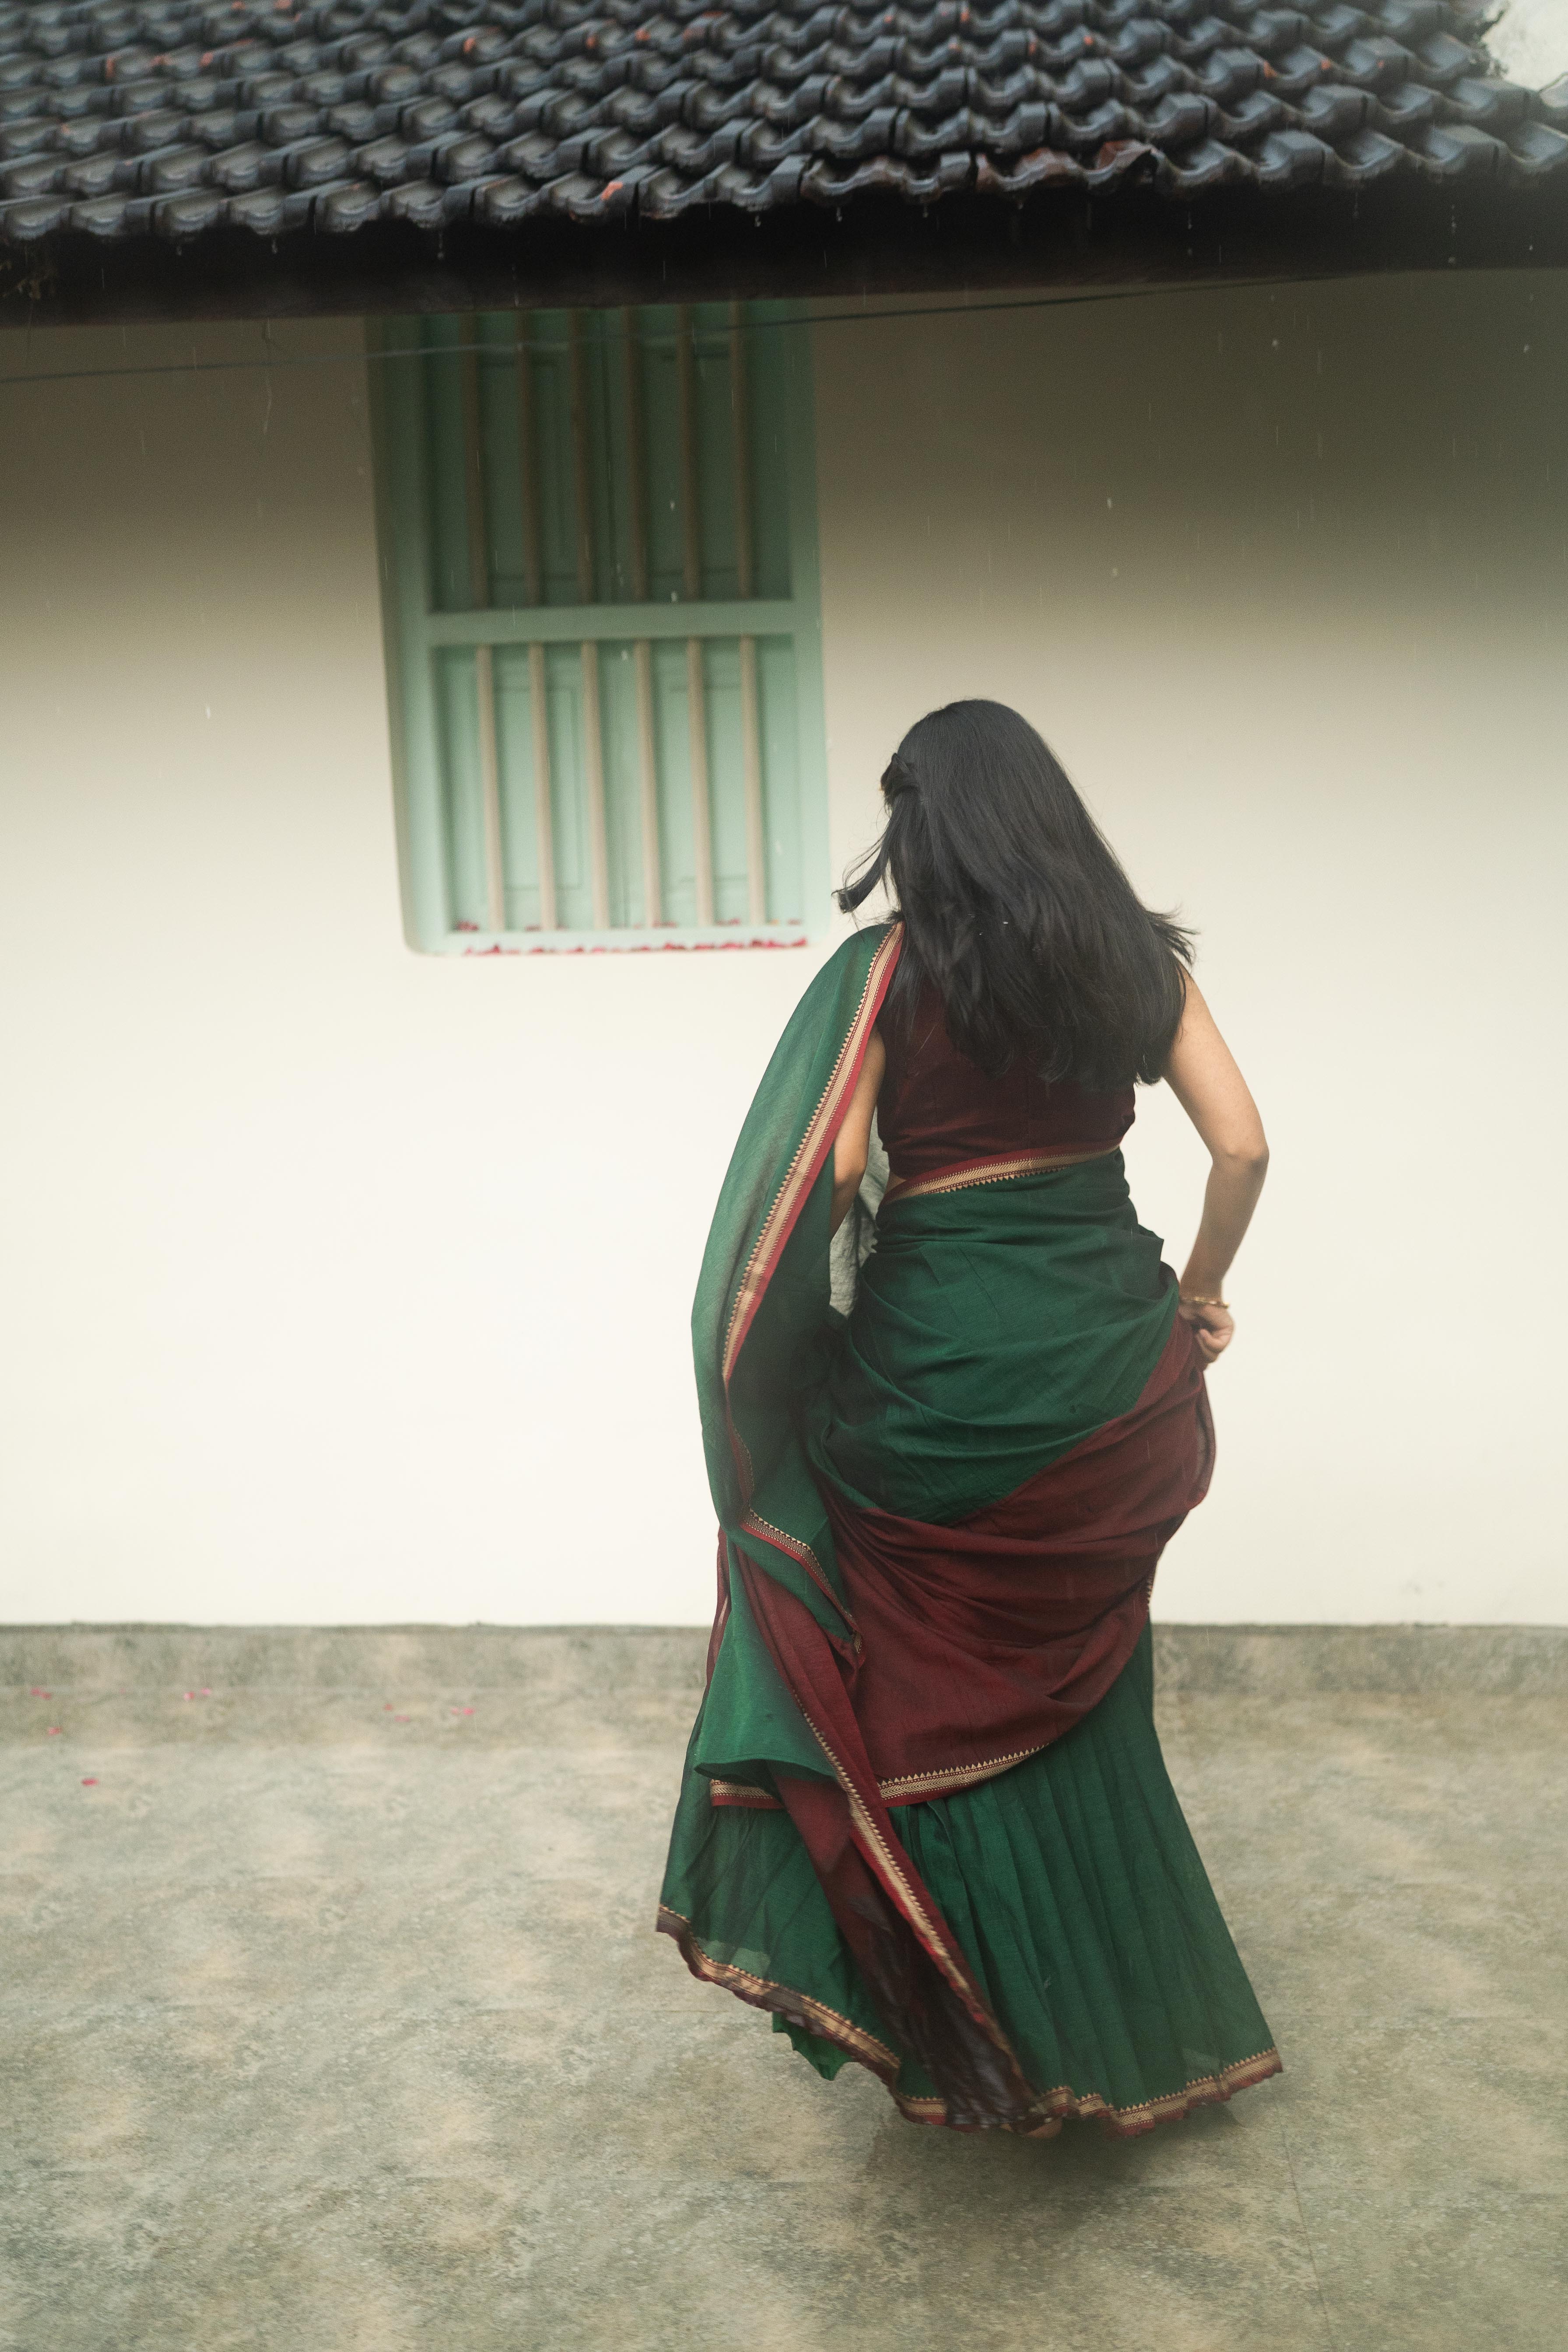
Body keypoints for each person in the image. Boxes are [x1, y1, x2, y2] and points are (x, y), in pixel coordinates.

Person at [658, 698, 1281, 2137]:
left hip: (940, 1394)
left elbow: (839, 1168)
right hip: (1110, 1384)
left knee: (904, 1686)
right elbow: (1243, 1143)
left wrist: (796, 1347)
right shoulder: (1140, 965)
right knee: (1090, 1691)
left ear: (922, 827)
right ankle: (1137, 2028)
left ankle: (977, 2032)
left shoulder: (888, 977)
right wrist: (1197, 1295)